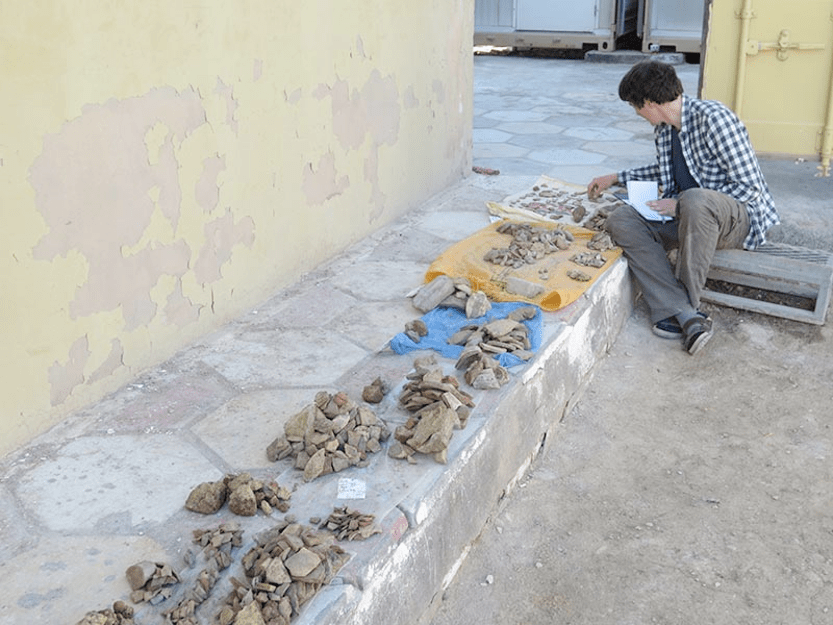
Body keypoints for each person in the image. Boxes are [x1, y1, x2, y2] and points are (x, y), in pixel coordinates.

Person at [587, 60, 779, 355]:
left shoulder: (715, 119)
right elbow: (664, 171)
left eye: (635, 107)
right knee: (621, 218)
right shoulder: (665, 131)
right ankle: (686, 314)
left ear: (649, 103)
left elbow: (749, 188)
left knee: (694, 199)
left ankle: (685, 304)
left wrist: (678, 205)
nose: (637, 114)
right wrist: (615, 178)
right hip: (690, 215)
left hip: (736, 219)